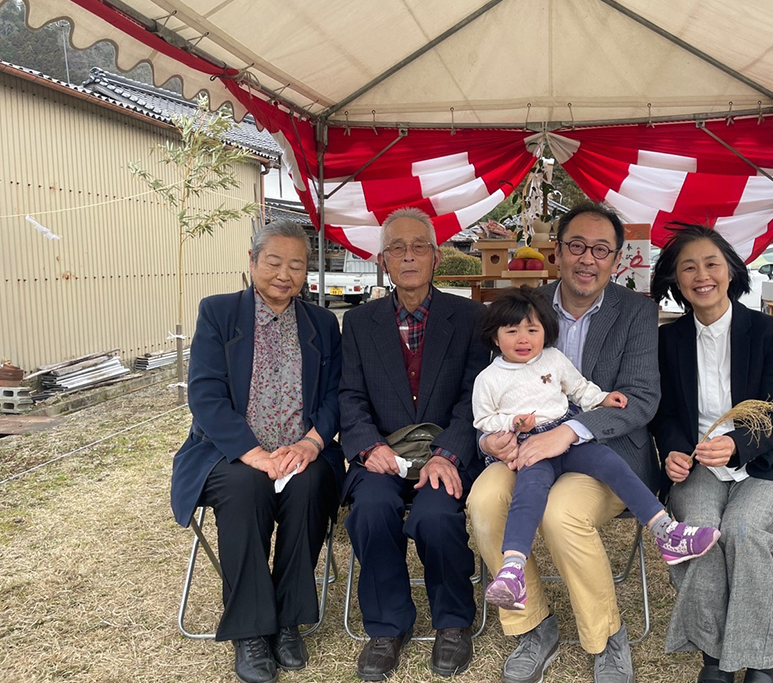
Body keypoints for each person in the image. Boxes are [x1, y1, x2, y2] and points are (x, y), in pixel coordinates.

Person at [467, 202, 661, 683]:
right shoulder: (522, 307)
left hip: (604, 453)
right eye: (577, 245)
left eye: (601, 249)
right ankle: (533, 624)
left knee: (562, 513)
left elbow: (640, 398)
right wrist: (491, 442)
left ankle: (605, 636)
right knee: (485, 501)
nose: (587, 259)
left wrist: (568, 431)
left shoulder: (637, 311)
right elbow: (492, 390)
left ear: (617, 258)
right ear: (558, 250)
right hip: (525, 447)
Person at [170, 219, 344, 683]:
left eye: (296, 265)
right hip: (229, 454)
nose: (284, 274)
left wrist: (310, 442)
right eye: (273, 262)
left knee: (310, 485)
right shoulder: (219, 313)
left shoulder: (323, 324)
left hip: (301, 451)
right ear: (251, 262)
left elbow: (335, 397)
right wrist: (253, 453)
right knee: (246, 488)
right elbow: (204, 394)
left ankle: (287, 621)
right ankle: (251, 631)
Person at [474, 287, 720, 611]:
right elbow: (484, 419)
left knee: (610, 461)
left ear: (545, 332)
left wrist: (601, 398)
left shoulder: (552, 358)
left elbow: (577, 387)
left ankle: (667, 532)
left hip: (566, 433)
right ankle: (513, 569)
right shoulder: (489, 378)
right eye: (512, 330)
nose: (524, 338)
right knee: (528, 493)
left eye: (532, 330)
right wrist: (511, 422)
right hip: (530, 446)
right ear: (495, 337)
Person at [650, 224, 773, 683]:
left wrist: (738, 444)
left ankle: (758, 660)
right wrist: (674, 451)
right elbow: (663, 415)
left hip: (768, 462)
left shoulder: (768, 332)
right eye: (688, 267)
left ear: (731, 272)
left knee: (742, 530)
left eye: (711, 264)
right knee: (700, 531)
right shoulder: (669, 340)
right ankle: (714, 653)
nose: (701, 275)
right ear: (676, 281)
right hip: (699, 465)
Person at [338, 207, 490, 681]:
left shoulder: (469, 317)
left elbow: (476, 394)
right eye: (397, 248)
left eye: (418, 246)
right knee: (371, 512)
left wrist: (448, 453)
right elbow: (349, 394)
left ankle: (452, 621)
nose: (408, 256)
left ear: (436, 256)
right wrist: (367, 446)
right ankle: (387, 626)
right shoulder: (359, 323)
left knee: (436, 515)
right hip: (381, 453)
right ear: (383, 260)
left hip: (446, 452)